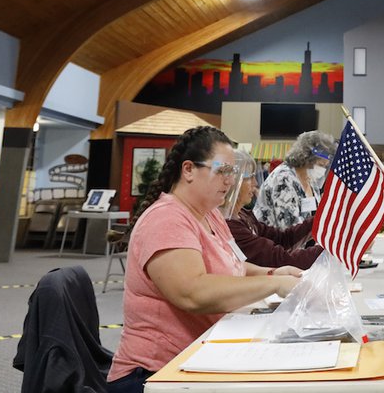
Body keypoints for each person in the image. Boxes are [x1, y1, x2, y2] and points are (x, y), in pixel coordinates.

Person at [107, 126, 303, 393]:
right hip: (155, 375)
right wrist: (274, 286)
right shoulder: (167, 219)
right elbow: (192, 293)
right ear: (188, 170)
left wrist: (274, 274)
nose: (230, 181)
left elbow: (234, 265)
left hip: (196, 360)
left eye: (231, 173)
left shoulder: (210, 215)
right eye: (222, 171)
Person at [224, 149, 324, 269]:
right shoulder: (231, 224)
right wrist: (327, 250)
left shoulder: (243, 215)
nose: (255, 183)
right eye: (249, 177)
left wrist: (321, 218)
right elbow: (279, 259)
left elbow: (282, 238)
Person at [254, 130, 336, 230]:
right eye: (320, 165)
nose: (322, 170)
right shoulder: (283, 179)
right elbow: (288, 229)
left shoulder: (310, 180)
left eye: (325, 166)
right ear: (306, 158)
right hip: (276, 242)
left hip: (302, 242)